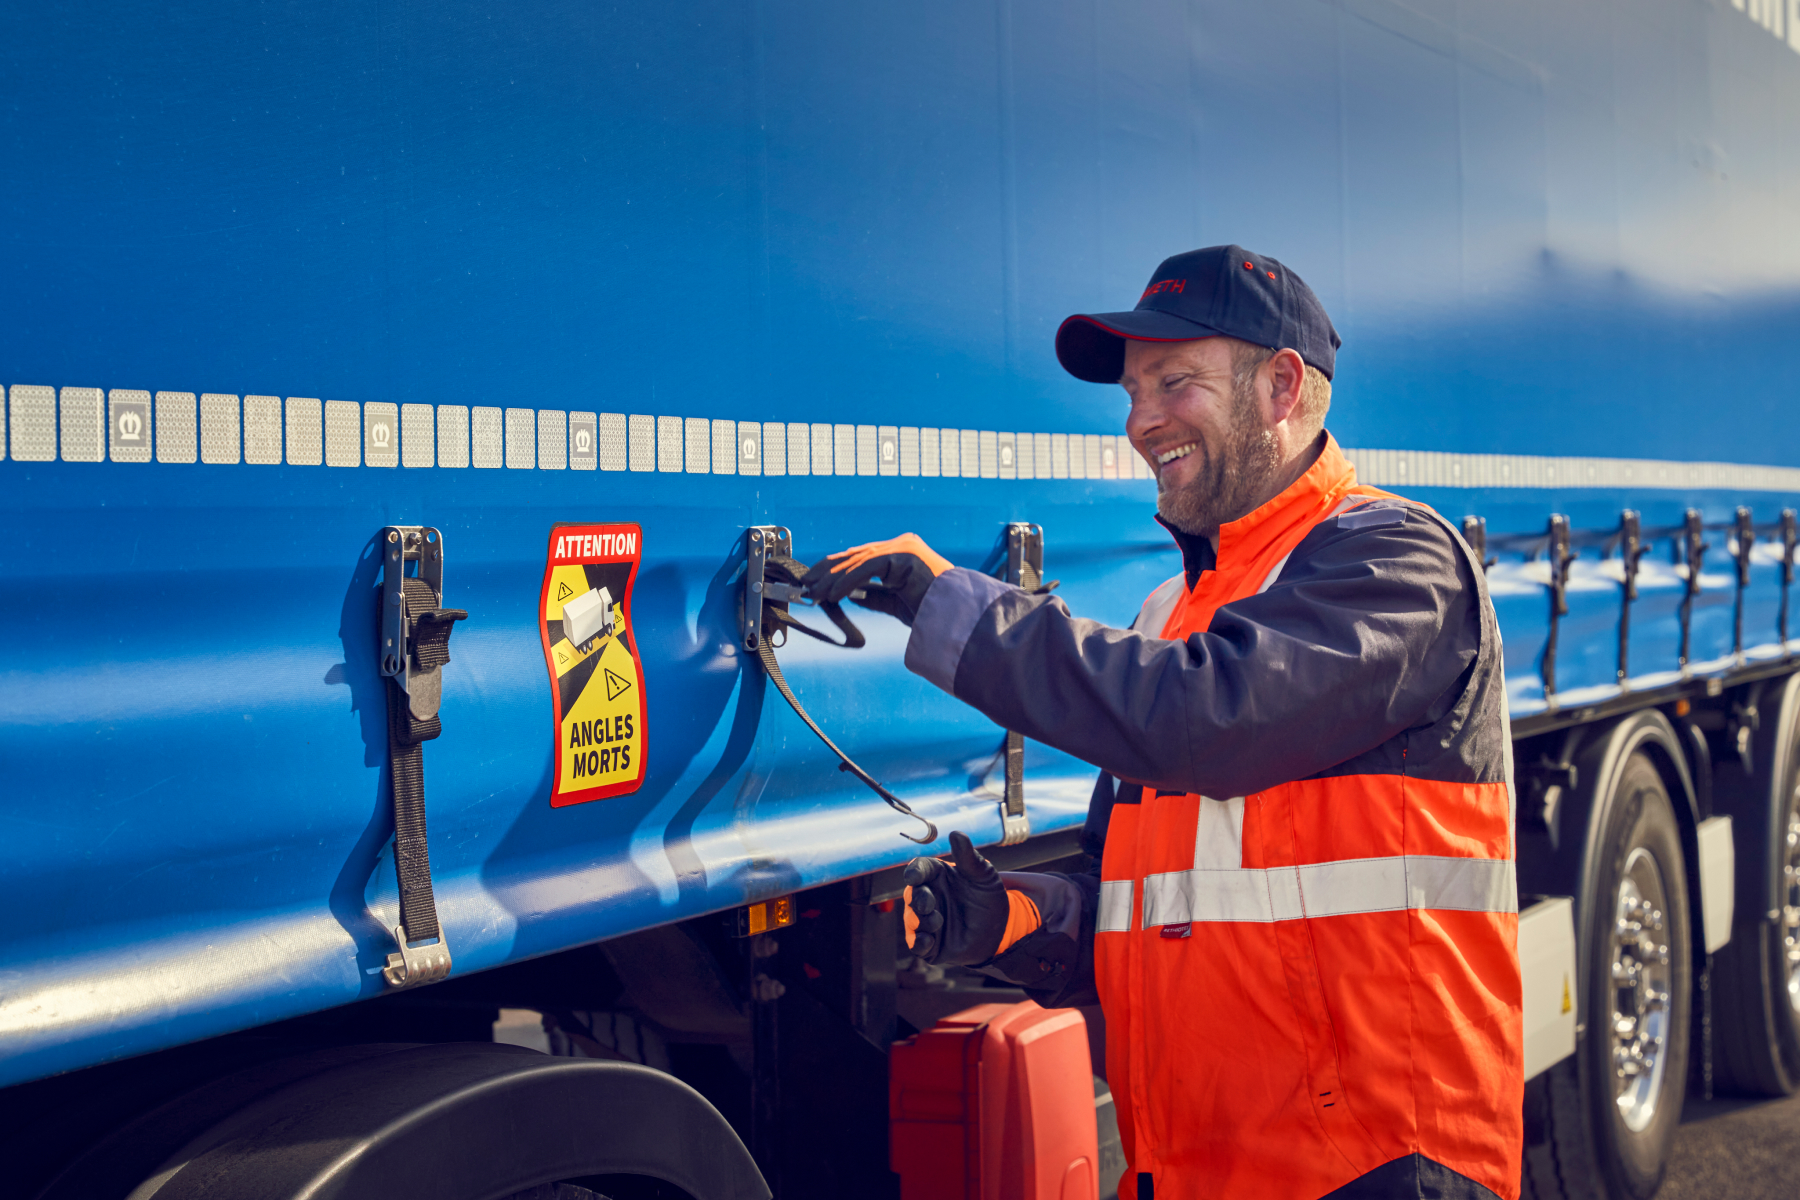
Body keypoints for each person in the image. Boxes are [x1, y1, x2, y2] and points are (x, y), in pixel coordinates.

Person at [804, 245, 1523, 1200]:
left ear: (1282, 386)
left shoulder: (1395, 560)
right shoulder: (1168, 617)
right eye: (1133, 393)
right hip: (1197, 1169)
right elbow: (1153, 908)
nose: (1142, 422)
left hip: (1376, 1167)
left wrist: (947, 606)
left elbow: (1206, 720)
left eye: (1175, 383)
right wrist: (1020, 920)